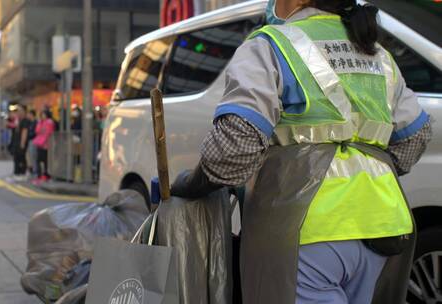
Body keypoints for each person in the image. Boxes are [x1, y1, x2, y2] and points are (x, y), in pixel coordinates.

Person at [170, 1, 432, 303]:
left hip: (304, 232)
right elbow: (416, 135)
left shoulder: (271, 44)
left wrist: (194, 184)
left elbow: (235, 147)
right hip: (383, 229)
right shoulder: (378, 55)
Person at [32, 110, 55, 184]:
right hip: (40, 144)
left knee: (45, 161)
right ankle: (40, 175)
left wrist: (42, 130)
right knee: (39, 160)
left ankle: (46, 175)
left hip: (46, 145)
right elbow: (37, 131)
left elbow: (47, 132)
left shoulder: (49, 122)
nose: (42, 116)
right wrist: (40, 124)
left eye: (44, 114)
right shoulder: (41, 122)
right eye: (41, 114)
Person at [11, 106, 30, 180]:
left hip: (21, 143)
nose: (18, 113)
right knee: (16, 158)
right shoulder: (19, 120)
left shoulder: (25, 121)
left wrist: (22, 143)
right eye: (17, 112)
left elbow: (24, 132)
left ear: (23, 112)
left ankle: (22, 172)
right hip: (17, 142)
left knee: (21, 158)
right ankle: (17, 172)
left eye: (19, 111)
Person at [26, 110, 38, 176]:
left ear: (32, 114)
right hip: (30, 140)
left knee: (34, 156)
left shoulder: (36, 122)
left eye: (29, 114)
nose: (28, 116)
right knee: (30, 156)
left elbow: (35, 132)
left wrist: (29, 135)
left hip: (34, 140)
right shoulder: (29, 122)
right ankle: (32, 169)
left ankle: (35, 170)